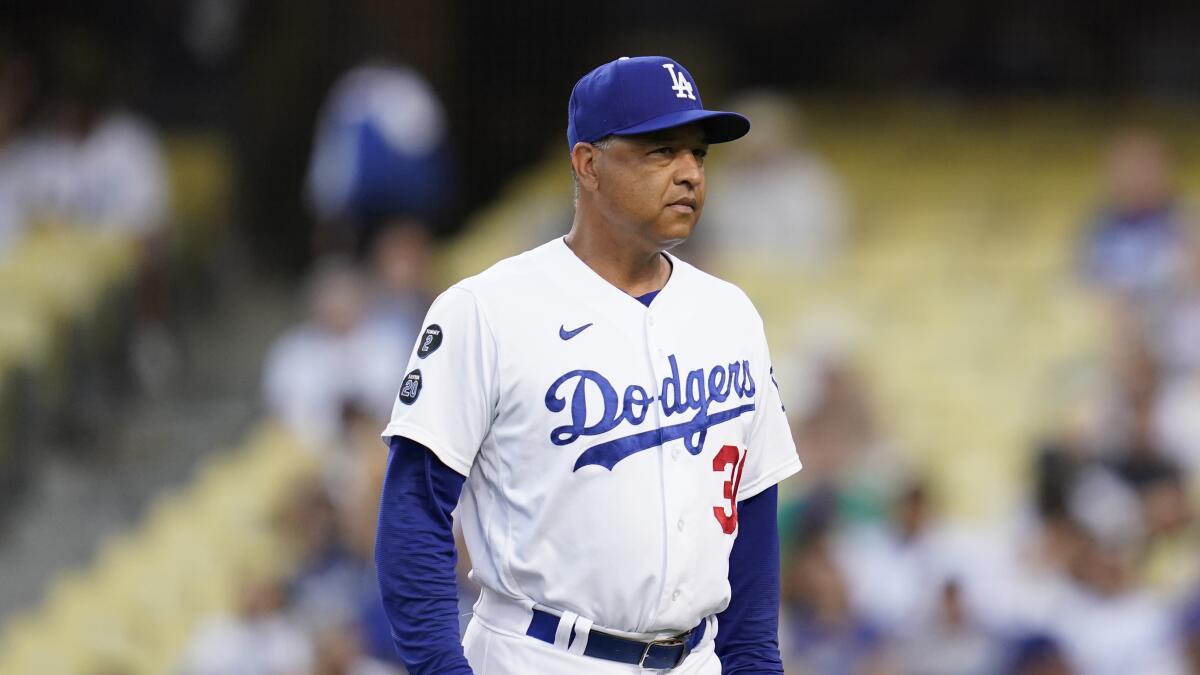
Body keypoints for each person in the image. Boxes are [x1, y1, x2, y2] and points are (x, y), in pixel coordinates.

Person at [375, 56, 801, 674]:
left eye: (698, 154)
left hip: (696, 658)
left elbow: (752, 515)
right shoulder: (486, 310)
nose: (689, 174)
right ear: (588, 164)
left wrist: (756, 665)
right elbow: (414, 511)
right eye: (662, 151)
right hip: (542, 655)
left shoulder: (730, 314)